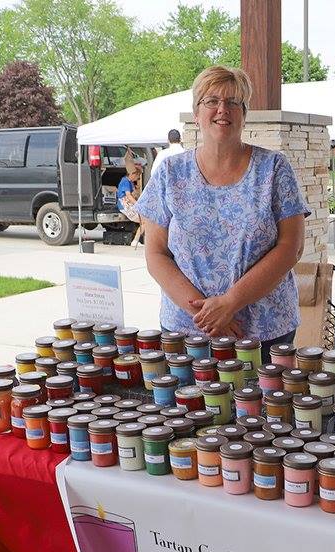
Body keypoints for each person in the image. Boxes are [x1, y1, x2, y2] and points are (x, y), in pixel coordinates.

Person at [134, 66, 308, 361]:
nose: (222, 109)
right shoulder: (169, 173)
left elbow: (292, 247)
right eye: (211, 101)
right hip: (187, 331)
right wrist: (208, 315)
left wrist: (230, 303)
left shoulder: (274, 169)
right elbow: (156, 254)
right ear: (196, 112)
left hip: (265, 331)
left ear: (244, 113)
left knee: (264, 394)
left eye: (233, 102)